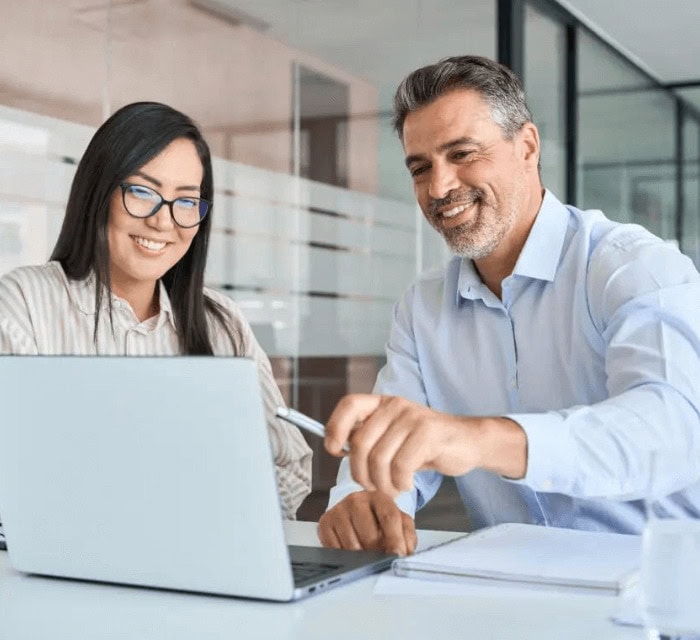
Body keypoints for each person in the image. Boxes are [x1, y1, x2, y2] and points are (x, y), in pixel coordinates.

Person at [318, 55, 700, 555]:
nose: (439, 187)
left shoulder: (632, 267)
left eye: (462, 154)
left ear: (527, 147)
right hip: (506, 587)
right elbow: (396, 448)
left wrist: (477, 439)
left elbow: (672, 431)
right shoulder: (422, 309)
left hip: (654, 590)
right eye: (420, 168)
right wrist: (365, 497)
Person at [0, 101, 312, 519]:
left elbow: (289, 464)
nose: (163, 222)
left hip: (208, 556)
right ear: (99, 192)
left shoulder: (221, 322)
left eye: (186, 201)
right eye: (142, 192)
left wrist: (216, 512)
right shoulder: (24, 305)